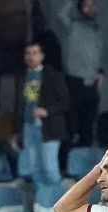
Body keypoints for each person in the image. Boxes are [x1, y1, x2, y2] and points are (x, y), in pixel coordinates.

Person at [47, 0, 103, 147]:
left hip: (92, 83)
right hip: (74, 81)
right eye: (86, 5)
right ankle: (66, 163)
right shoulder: (71, 26)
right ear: (80, 8)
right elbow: (60, 15)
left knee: (88, 124)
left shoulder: (96, 29)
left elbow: (97, 54)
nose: (90, 8)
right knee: (71, 124)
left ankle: (86, 161)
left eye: (92, 5)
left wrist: (100, 71)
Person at [15, 42, 68, 188]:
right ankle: (42, 201)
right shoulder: (22, 77)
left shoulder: (53, 75)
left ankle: (57, 203)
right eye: (28, 53)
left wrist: (47, 111)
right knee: (34, 168)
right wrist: (17, 131)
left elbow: (66, 101)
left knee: (49, 166)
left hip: (48, 128)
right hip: (28, 126)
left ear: (42, 56)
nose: (31, 57)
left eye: (35, 53)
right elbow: (18, 106)